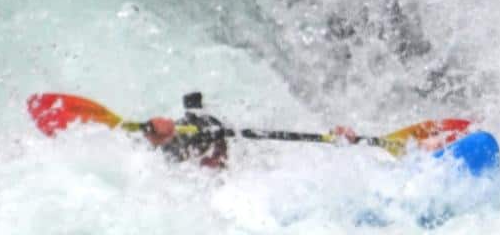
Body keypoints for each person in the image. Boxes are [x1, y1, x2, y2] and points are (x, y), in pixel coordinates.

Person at [142, 92, 358, 168]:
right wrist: (157, 136)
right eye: (209, 153)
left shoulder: (249, 168)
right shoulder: (174, 170)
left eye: (219, 152)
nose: (215, 159)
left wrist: (331, 139)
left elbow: (299, 159)